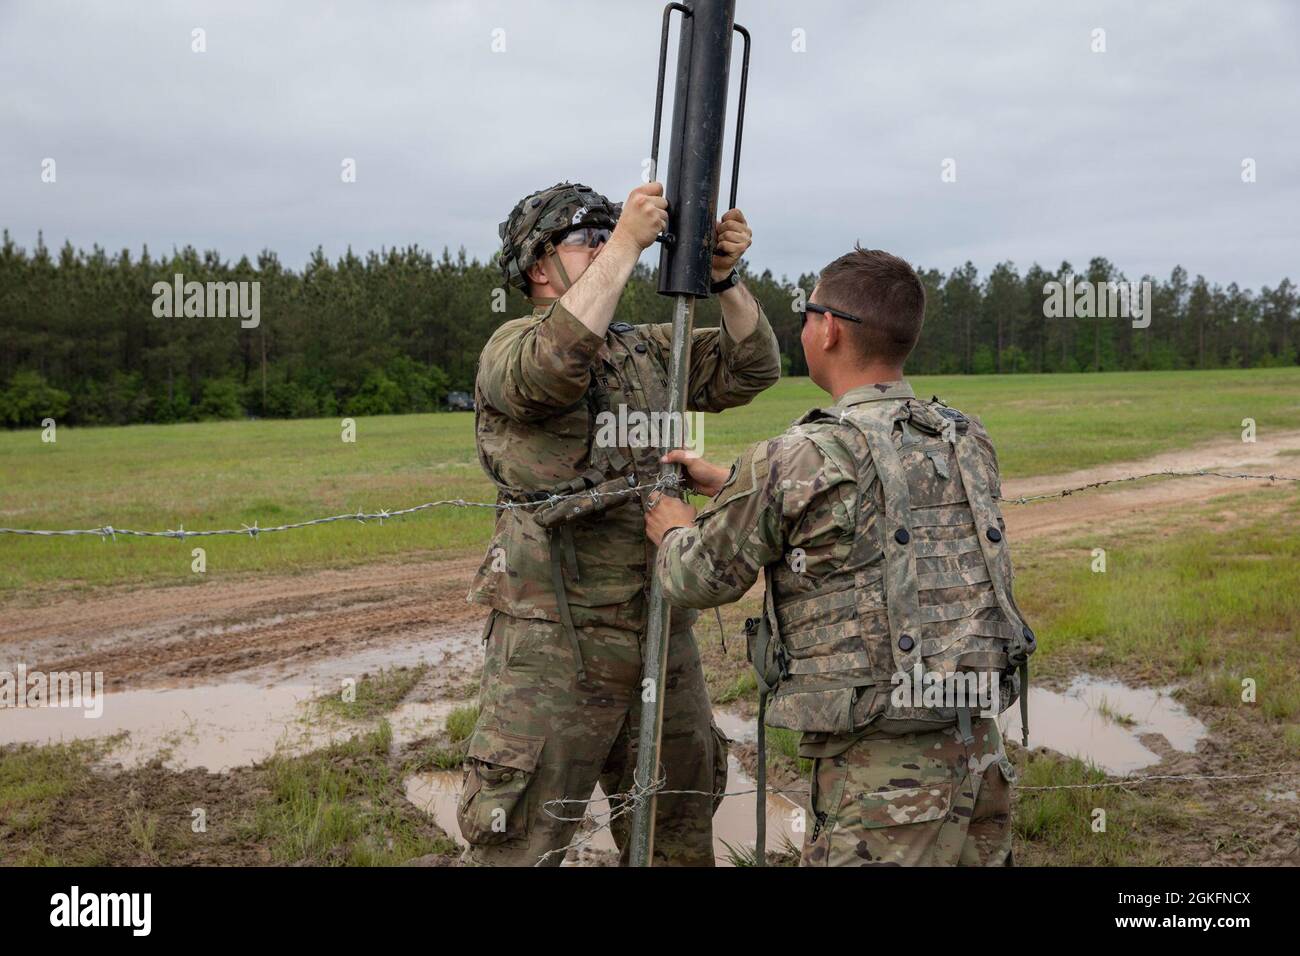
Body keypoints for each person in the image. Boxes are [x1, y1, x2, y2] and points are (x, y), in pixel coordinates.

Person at [645, 246, 1034, 866]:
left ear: (828, 329)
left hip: (880, 772)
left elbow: (697, 578)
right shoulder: (964, 436)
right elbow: (878, 503)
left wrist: (673, 530)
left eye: (805, 314)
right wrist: (734, 484)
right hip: (976, 747)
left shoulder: (793, 458)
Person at [460, 180, 782, 865]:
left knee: (680, 821)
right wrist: (632, 242)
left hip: (662, 634)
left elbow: (754, 366)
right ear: (538, 267)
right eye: (588, 239)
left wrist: (723, 281)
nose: (608, 245)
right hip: (556, 649)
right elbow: (550, 371)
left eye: (613, 232)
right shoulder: (511, 347)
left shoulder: (645, 351)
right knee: (519, 838)